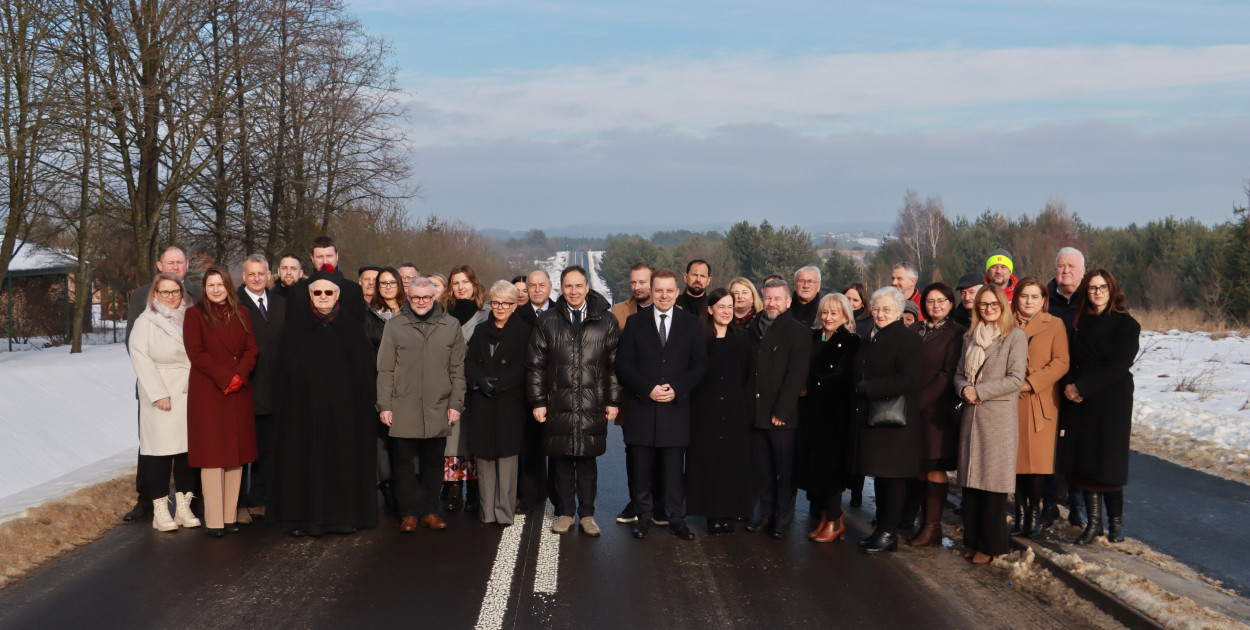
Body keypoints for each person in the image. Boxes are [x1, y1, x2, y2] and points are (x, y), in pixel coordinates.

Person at [269, 268, 379, 536]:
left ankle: (342, 518)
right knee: (302, 462)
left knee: (342, 462)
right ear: (310, 295)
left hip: (343, 415)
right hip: (302, 413)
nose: (322, 297)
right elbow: (283, 372)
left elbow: (364, 374)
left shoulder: (352, 328)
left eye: (328, 292)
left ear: (337, 295)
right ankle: (301, 519)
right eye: (317, 292)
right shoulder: (295, 328)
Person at [526, 265, 621, 536]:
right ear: (561, 288)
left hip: (593, 402)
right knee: (563, 461)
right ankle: (565, 513)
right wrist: (538, 401)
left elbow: (614, 366)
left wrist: (613, 400)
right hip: (558, 402)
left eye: (579, 285)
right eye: (568, 286)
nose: (574, 291)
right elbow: (535, 366)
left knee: (588, 462)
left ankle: (587, 515)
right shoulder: (547, 321)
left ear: (587, 287)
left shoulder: (606, 321)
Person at [615, 269, 708, 540]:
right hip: (642, 407)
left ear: (677, 292)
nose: (664, 295)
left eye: (669, 290)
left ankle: (676, 518)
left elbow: (700, 363)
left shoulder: (690, 323)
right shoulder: (635, 322)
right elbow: (624, 363)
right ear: (651, 292)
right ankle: (643, 518)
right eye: (659, 290)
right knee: (641, 469)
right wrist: (648, 389)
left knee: (673, 471)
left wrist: (677, 389)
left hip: (676, 408)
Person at [377, 277, 467, 532]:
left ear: (434, 297)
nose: (421, 302)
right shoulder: (395, 326)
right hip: (403, 405)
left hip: (439, 407)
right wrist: (384, 404)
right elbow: (385, 369)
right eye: (416, 297)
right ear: (409, 297)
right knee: (403, 464)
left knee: (433, 463)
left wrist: (456, 404)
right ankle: (408, 514)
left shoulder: (451, 325)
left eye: (426, 297)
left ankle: (429, 511)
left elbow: (458, 369)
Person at [1060, 269, 1139, 545]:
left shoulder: (1126, 324)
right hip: (1081, 398)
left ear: (1112, 289)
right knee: (1087, 462)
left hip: (1112, 397)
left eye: (1102, 287)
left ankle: (1116, 524)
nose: (1097, 292)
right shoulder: (1080, 321)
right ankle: (1094, 524)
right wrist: (1070, 386)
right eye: (1092, 288)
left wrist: (1082, 386)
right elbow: (1069, 357)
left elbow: (1118, 365)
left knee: (1110, 462)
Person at [123, 246, 200, 523]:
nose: (171, 296)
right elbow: (138, 353)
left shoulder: (193, 307)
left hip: (188, 391)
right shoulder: (145, 314)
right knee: (156, 452)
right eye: (165, 292)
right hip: (159, 392)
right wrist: (157, 392)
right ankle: (155, 508)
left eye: (179, 263)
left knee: (186, 451)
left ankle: (184, 506)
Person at [953, 284, 1027, 564]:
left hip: (997, 420)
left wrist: (979, 391)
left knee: (993, 486)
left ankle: (992, 544)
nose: (988, 309)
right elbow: (959, 374)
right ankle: (972, 540)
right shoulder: (969, 337)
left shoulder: (1015, 337)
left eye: (994, 304)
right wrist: (963, 390)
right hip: (971, 418)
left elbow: (1015, 379)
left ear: (1003, 306)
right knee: (972, 485)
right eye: (983, 305)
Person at [184, 265, 259, 537]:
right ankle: (214, 520)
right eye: (210, 285)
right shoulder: (194, 315)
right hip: (210, 391)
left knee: (235, 455)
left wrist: (240, 375)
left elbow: (252, 348)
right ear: (204, 288)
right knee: (213, 456)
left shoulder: (242, 313)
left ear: (229, 286)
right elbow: (196, 353)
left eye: (221, 284)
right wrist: (227, 377)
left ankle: (229, 516)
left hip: (238, 390)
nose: (216, 290)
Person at [852, 286, 923, 553]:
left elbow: (909, 379)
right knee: (881, 477)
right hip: (876, 420)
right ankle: (881, 529)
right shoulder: (872, 337)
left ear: (898, 311)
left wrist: (868, 388)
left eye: (887, 309)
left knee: (892, 478)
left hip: (896, 422)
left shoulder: (908, 339)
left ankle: (889, 533)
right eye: (877, 308)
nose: (881, 314)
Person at [744, 278, 811, 539]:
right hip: (755, 412)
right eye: (768, 298)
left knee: (785, 471)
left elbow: (796, 376)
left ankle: (783, 519)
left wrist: (782, 412)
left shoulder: (798, 332)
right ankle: (765, 515)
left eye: (777, 299)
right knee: (763, 470)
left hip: (783, 416)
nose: (771, 303)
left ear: (788, 301)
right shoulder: (753, 328)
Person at [687, 288, 757, 534]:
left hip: (735, 409)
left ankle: (728, 512)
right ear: (710, 309)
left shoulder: (743, 340)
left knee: (732, 462)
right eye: (721, 307)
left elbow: (748, 375)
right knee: (709, 462)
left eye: (730, 306)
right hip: (704, 410)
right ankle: (712, 515)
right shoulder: (698, 339)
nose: (726, 311)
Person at [464, 281, 532, 526]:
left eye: (506, 303)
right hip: (482, 400)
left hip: (509, 402)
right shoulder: (481, 330)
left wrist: (499, 383)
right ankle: (487, 512)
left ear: (514, 306)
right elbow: (469, 361)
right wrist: (479, 380)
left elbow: (525, 367)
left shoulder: (524, 332)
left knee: (506, 457)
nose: (500, 307)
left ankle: (504, 512)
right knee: (484, 457)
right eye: (495, 302)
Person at [906, 282, 967, 547]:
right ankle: (924, 523)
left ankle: (933, 526)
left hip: (937, 412)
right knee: (919, 468)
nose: (936, 306)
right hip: (912, 408)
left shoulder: (956, 333)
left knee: (935, 468)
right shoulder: (915, 329)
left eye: (941, 301)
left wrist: (917, 403)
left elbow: (947, 374)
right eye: (931, 301)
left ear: (951, 303)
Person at [796, 293, 860, 543]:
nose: (828, 317)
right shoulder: (813, 337)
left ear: (845, 315)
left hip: (835, 415)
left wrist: (811, 384)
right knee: (816, 470)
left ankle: (835, 520)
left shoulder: (852, 341)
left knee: (831, 470)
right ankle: (826, 518)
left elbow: (844, 377)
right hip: (811, 414)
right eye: (825, 312)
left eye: (834, 313)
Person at [1010, 278, 1069, 538]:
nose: (1029, 301)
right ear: (1017, 298)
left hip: (1040, 400)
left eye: (1035, 296)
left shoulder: (1054, 324)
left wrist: (1031, 382)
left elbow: (1061, 362)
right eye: (1024, 296)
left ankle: (1034, 513)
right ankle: (1020, 514)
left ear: (1044, 300)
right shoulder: (1005, 322)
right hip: (1009, 400)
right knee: (1014, 462)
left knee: (1036, 464)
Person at [236, 254, 286, 523]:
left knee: (268, 450)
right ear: (244, 277)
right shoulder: (235, 304)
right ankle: (240, 503)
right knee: (243, 452)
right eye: (251, 274)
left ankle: (259, 500)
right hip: (245, 389)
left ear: (269, 275)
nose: (257, 278)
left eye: (261, 273)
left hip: (274, 390)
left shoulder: (280, 303)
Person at [609, 262, 659, 525]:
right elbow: (612, 355)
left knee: (661, 450)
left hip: (663, 394)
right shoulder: (619, 311)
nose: (637, 287)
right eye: (633, 282)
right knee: (634, 452)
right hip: (630, 394)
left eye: (642, 282)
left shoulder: (673, 310)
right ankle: (637, 502)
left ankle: (659, 503)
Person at [1044, 246, 1087, 528]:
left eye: (1072, 266)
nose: (1066, 270)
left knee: (1078, 446)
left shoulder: (1092, 300)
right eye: (1061, 265)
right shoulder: (1044, 299)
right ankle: (1048, 504)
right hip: (1049, 383)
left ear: (1082, 272)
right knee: (1047, 445)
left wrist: (1082, 383)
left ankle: (1077, 503)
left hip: (1081, 386)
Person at [444, 264, 490, 513]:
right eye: (456, 283)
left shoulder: (488, 313)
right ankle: (453, 488)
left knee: (474, 439)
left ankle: (474, 487)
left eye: (465, 282)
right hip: (450, 386)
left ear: (474, 284)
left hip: (478, 387)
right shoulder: (442, 313)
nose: (461, 287)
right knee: (453, 441)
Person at [364, 267, 407, 514]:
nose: (388, 287)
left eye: (392, 282)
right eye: (383, 283)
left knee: (405, 441)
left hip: (409, 386)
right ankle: (388, 488)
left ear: (400, 284)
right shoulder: (369, 315)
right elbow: (368, 350)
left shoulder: (411, 311)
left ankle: (407, 490)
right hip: (380, 383)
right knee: (383, 441)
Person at [516, 269, 554, 510]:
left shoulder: (561, 312)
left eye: (542, 284)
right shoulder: (517, 314)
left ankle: (559, 497)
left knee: (559, 446)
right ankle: (529, 495)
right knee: (529, 445)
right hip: (526, 388)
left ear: (550, 287)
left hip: (559, 387)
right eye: (532, 285)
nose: (537, 289)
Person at [286, 236, 365, 324]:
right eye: (320, 257)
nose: (325, 261)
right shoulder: (297, 291)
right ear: (312, 258)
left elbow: (359, 328)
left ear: (337, 256)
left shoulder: (354, 291)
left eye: (329, 256)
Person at [840, 281, 871, 507]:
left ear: (863, 303)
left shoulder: (868, 323)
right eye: (847, 299)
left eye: (855, 300)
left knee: (857, 444)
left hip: (858, 390)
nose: (851, 303)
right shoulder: (835, 318)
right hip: (838, 388)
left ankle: (857, 491)